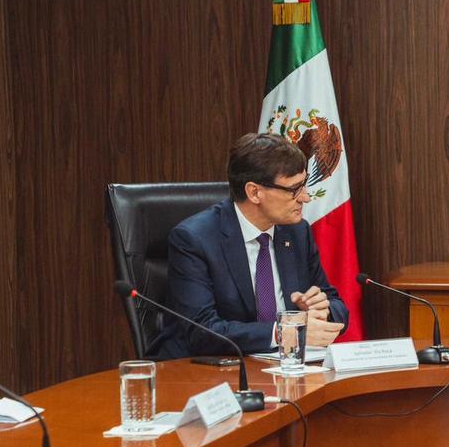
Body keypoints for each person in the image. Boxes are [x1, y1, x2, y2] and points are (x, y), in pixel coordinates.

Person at [149, 133, 348, 359]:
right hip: (207, 370)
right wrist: (283, 332)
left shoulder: (296, 232)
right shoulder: (194, 239)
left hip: (283, 366)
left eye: (303, 185)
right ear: (254, 192)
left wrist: (322, 310)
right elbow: (201, 331)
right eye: (294, 190)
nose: (306, 197)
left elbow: (336, 304)